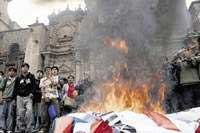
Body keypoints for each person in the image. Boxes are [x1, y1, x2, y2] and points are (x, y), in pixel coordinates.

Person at [13, 63, 36, 133]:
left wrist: (32, 93)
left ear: (28, 68)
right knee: (20, 113)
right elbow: (15, 88)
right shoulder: (18, 78)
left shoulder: (31, 76)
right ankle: (20, 128)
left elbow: (34, 86)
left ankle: (28, 128)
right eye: (23, 67)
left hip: (28, 96)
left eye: (26, 67)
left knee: (29, 112)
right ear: (21, 68)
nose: (24, 68)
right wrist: (14, 99)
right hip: (19, 97)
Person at [39, 66, 60, 133]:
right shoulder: (42, 79)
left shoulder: (56, 77)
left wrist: (50, 78)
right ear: (45, 71)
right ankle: (44, 128)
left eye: (49, 70)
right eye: (46, 70)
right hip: (45, 97)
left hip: (53, 97)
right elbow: (42, 89)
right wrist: (44, 97)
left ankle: (55, 128)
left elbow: (54, 83)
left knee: (55, 113)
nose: (48, 71)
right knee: (44, 114)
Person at [0, 67, 17, 133]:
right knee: (2, 114)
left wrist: (15, 100)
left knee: (11, 114)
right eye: (10, 71)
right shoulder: (5, 79)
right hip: (4, 98)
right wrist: (0, 98)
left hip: (12, 99)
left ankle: (9, 129)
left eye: (13, 71)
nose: (11, 72)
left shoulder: (17, 80)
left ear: (15, 73)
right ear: (8, 72)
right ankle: (2, 127)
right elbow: (1, 89)